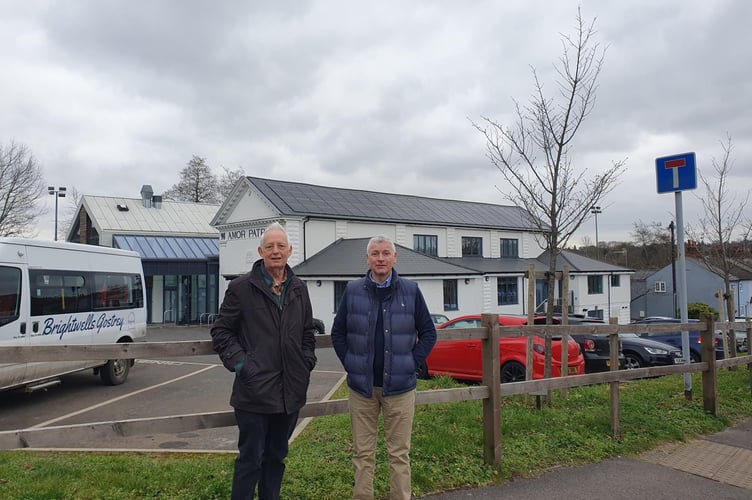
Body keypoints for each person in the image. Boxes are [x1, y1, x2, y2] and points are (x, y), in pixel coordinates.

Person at [211, 222, 317, 500]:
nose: (275, 251)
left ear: (289, 251)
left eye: (281, 246)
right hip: (254, 394)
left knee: (276, 457)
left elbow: (307, 331)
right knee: (250, 460)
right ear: (260, 251)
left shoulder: (299, 288)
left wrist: (306, 362)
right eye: (269, 246)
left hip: (290, 392)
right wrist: (242, 365)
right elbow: (221, 331)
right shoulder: (241, 287)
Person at [331, 235, 437, 500]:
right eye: (375, 254)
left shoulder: (410, 291)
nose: (380, 258)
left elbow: (428, 333)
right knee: (362, 454)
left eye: (386, 253)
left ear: (394, 257)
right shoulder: (353, 290)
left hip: (400, 390)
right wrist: (351, 364)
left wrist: (411, 363)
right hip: (362, 390)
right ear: (367, 258)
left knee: (399, 454)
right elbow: (338, 334)